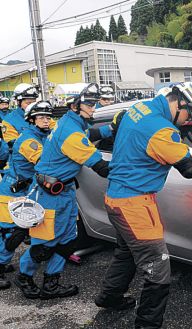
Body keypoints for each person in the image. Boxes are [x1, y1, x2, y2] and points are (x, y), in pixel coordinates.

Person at [94, 82, 192, 329]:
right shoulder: (162, 132)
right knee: (158, 269)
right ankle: (147, 325)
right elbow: (189, 166)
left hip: (116, 199)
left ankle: (109, 297)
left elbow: (122, 125)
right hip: (134, 206)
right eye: (190, 115)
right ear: (179, 103)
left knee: (127, 253)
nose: (187, 121)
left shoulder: (140, 108)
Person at [14, 83, 111, 300]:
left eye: (95, 103)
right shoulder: (70, 134)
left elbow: (92, 131)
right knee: (43, 244)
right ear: (76, 106)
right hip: (48, 194)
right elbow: (102, 168)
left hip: (64, 191)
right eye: (90, 104)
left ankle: (51, 284)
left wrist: (114, 127)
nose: (94, 108)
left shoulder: (71, 121)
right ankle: (24, 277)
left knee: (67, 240)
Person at [0, 101, 54, 290]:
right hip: (12, 189)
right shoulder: (29, 140)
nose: (46, 120)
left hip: (27, 189)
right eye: (41, 117)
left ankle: (3, 262)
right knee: (11, 234)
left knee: (20, 231)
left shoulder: (44, 135)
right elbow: (45, 162)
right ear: (31, 120)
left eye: (48, 117)